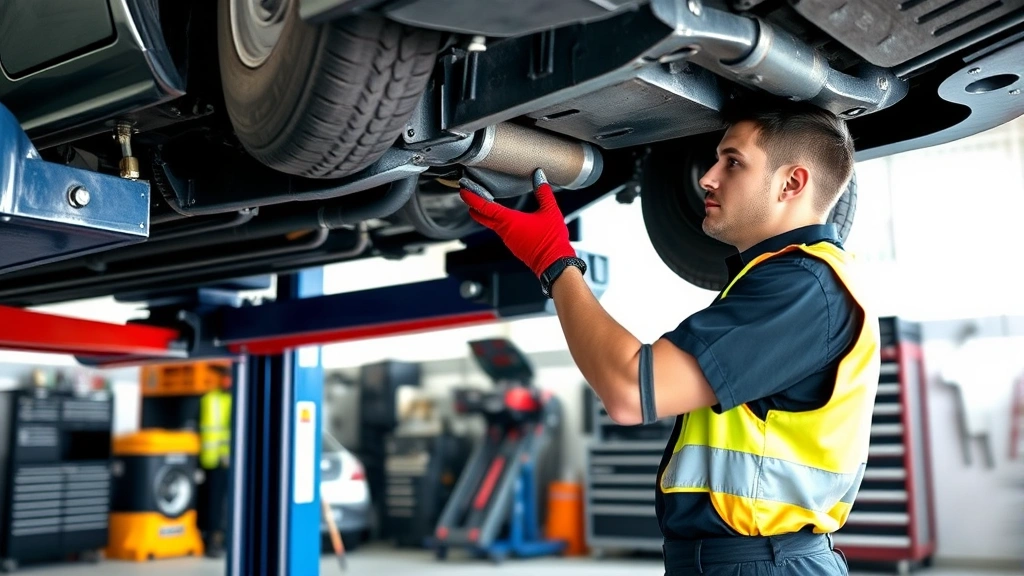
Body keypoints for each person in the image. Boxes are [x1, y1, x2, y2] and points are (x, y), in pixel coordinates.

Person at [457, 99, 881, 576]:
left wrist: (556, 262)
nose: (707, 176)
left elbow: (630, 390)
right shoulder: (788, 281)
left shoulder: (805, 288)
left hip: (762, 564)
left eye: (733, 162)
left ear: (792, 183)